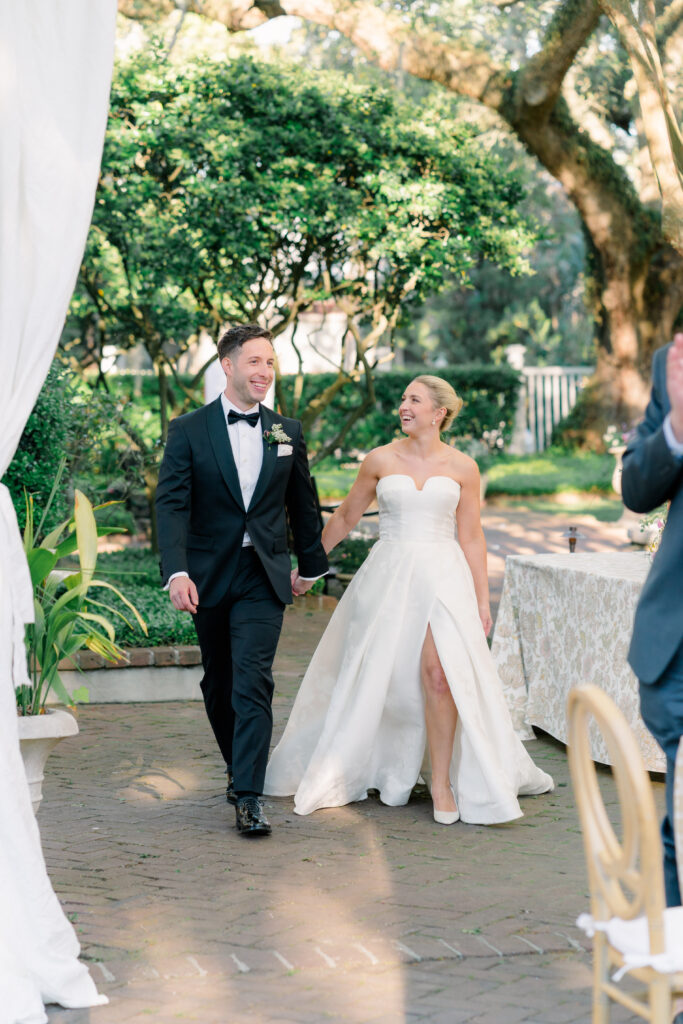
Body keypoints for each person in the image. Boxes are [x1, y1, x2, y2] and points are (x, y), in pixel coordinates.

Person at [265, 375, 553, 823]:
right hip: (389, 577)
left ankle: (441, 783)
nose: (404, 406)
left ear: (439, 413)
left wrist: (481, 600)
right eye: (403, 399)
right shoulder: (379, 459)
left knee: (440, 675)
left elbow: (472, 537)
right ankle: (383, 765)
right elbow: (345, 516)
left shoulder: (463, 467)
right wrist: (308, 566)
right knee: (384, 676)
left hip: (444, 578)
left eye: (415, 400)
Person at [155, 324, 328, 837]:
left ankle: (249, 795)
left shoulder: (286, 430)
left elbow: (303, 503)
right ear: (227, 366)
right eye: (255, 362)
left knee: (253, 681)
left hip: (263, 574)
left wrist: (311, 566)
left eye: (271, 363)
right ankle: (238, 766)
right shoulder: (188, 429)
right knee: (220, 683)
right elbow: (171, 504)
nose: (265, 372)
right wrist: (177, 571)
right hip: (208, 575)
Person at [622, 332, 683, 907]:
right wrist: (678, 430)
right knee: (681, 828)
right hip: (678, 650)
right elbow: (637, 488)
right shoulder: (675, 363)